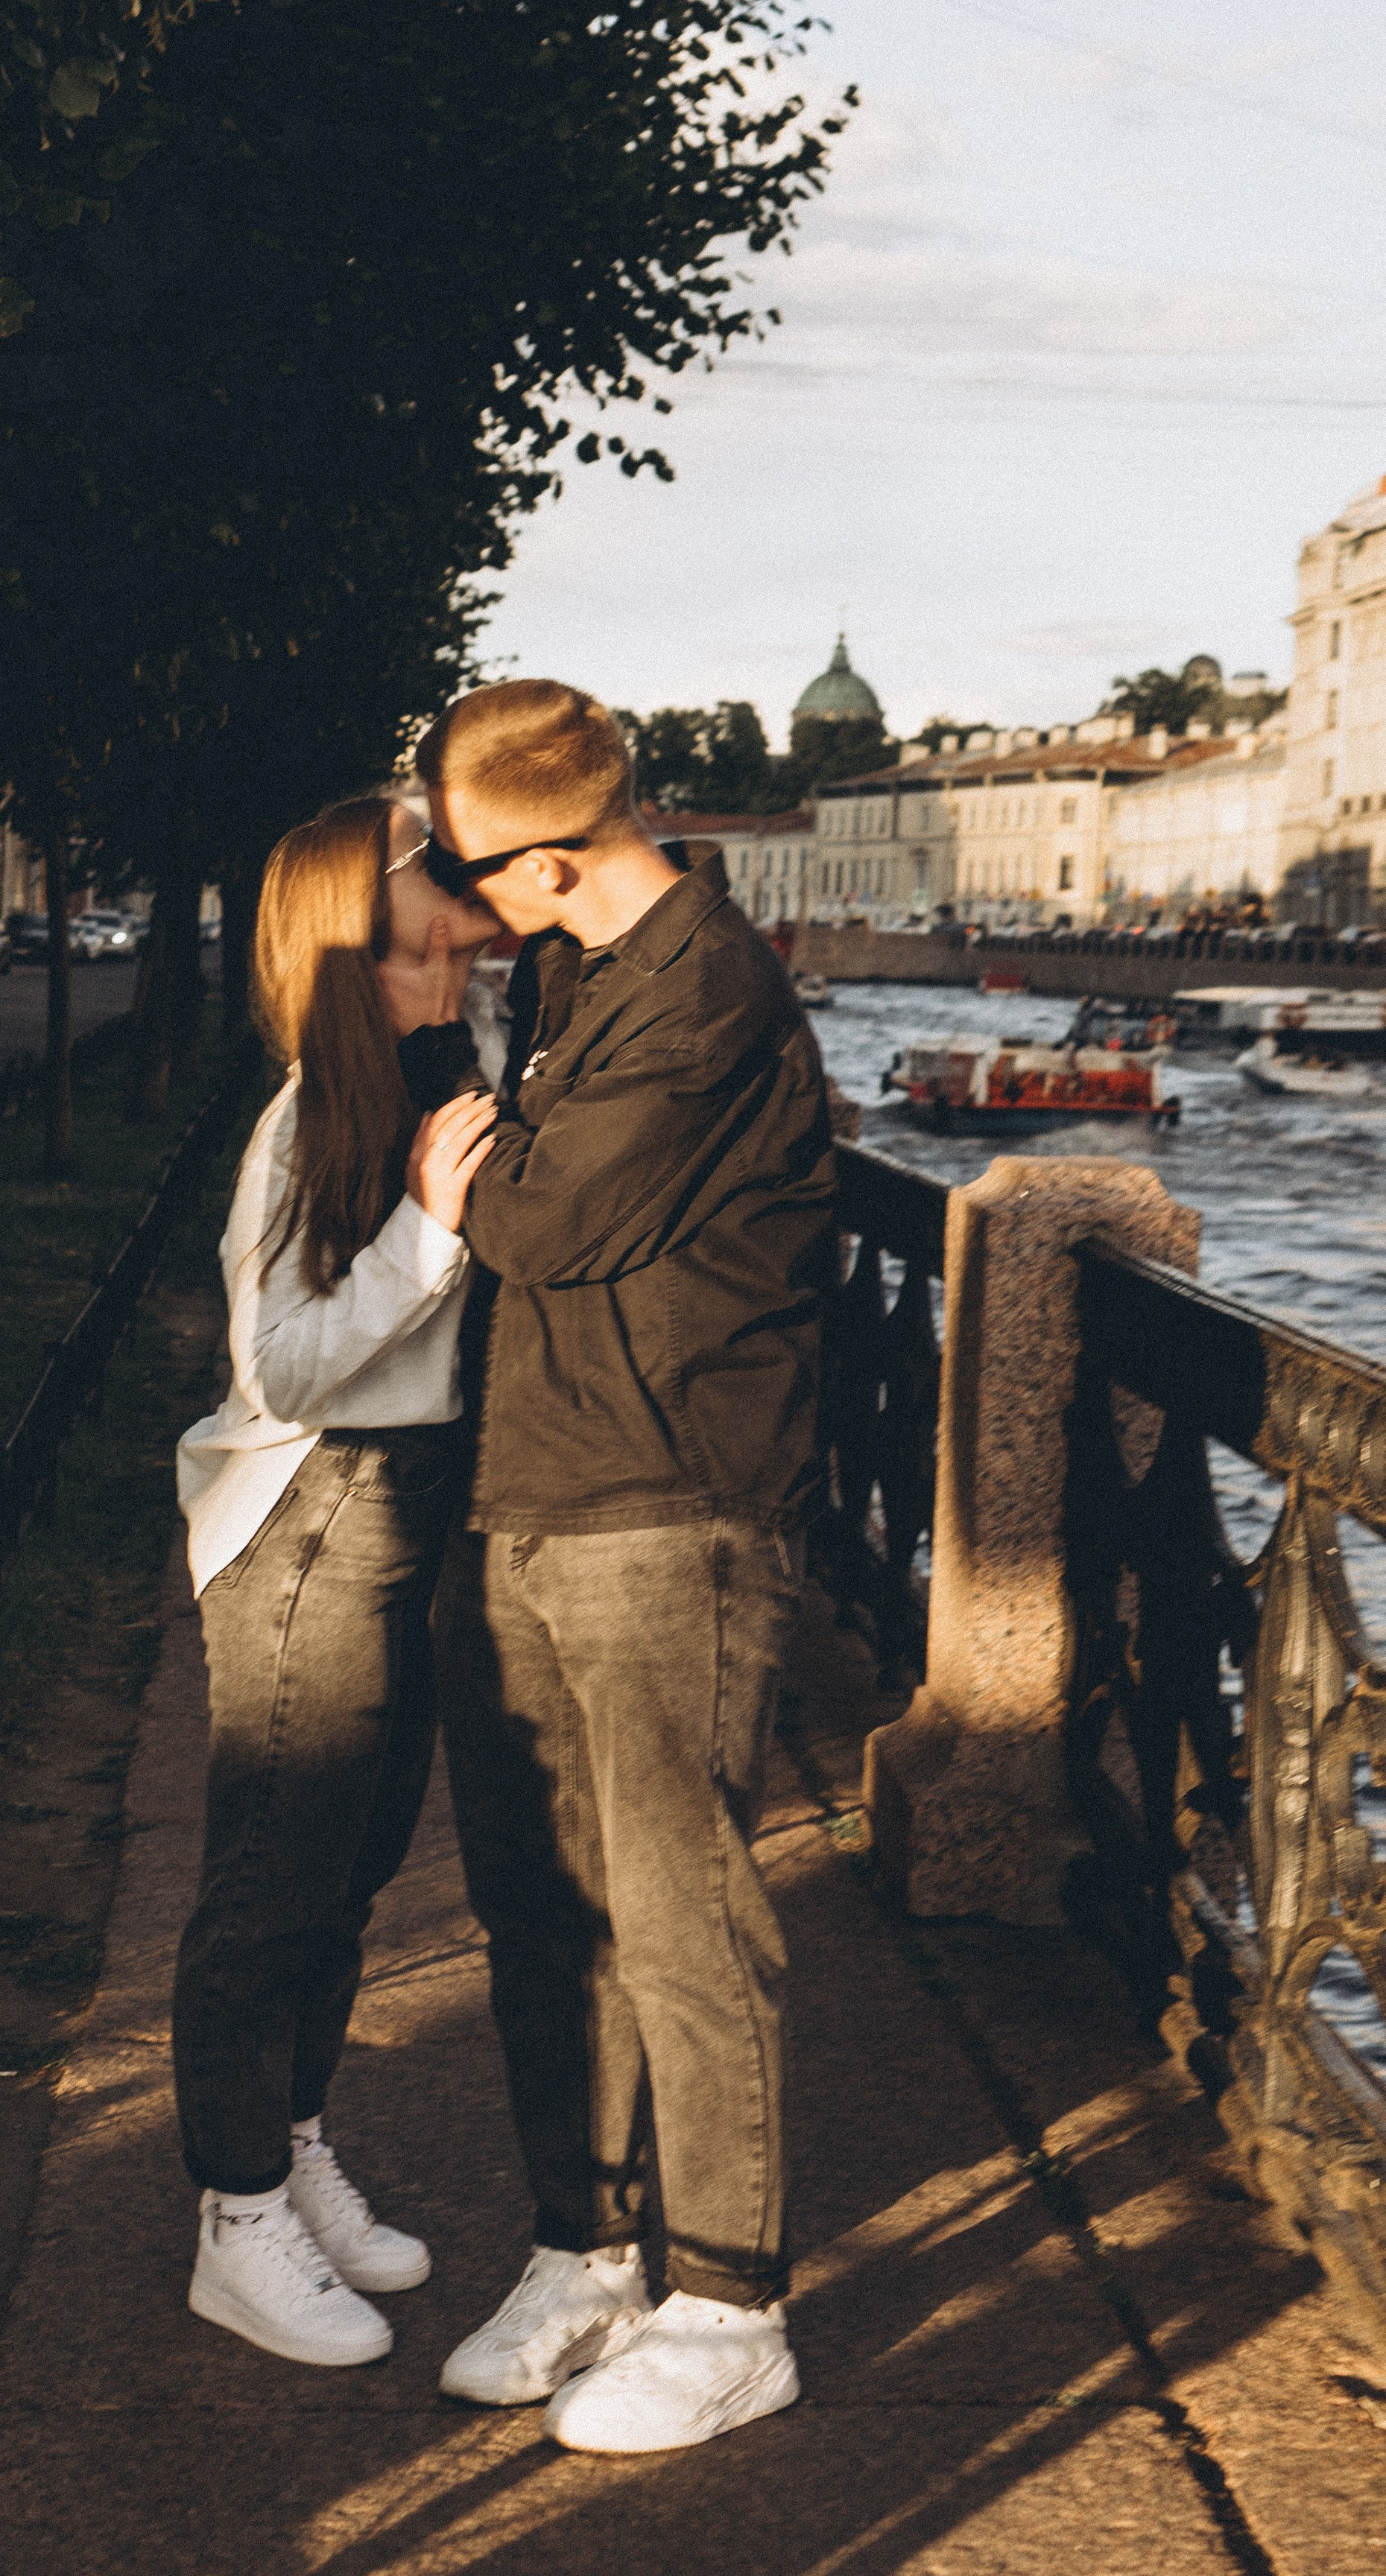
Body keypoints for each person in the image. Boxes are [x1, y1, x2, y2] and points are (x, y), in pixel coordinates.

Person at [414, 679, 836, 2456]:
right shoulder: (571, 968)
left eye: (460, 865)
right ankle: (585, 2255)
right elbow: (539, 1199)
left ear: (548, 859)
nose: (447, 895)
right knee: (541, 1906)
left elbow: (539, 1216)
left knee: (681, 1915)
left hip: (673, 1504)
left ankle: (732, 2307)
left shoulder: (709, 990)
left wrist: (465, 1158)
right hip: (535, 1483)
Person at [172, 795, 504, 2370]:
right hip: (311, 1521)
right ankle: (234, 2220)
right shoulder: (307, 1121)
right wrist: (430, 1229)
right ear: (340, 960)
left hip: (401, 1514)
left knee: (350, 1874)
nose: (447, 985)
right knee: (268, 1889)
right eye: (418, 957)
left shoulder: (423, 1082)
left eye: (461, 959)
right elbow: (286, 1367)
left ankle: (292, 2149)